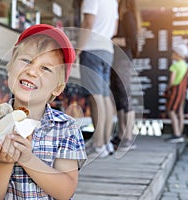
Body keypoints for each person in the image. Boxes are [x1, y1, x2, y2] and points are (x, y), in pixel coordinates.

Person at [0, 24, 87, 199]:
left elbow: (65, 191)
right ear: (10, 68)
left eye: (45, 68)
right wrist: (2, 164)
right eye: (27, 61)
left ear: (58, 88)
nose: (31, 71)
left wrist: (27, 159)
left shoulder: (66, 128)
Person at [76, 0, 119, 157]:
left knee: (96, 97)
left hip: (92, 49)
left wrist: (77, 50)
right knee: (105, 97)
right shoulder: (113, 2)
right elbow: (114, 29)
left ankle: (98, 144)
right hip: (107, 50)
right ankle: (105, 143)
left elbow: (88, 23)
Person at [110, 0, 141, 151]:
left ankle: (128, 137)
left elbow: (132, 41)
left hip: (123, 59)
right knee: (118, 96)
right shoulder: (119, 17)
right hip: (115, 59)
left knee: (125, 96)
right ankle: (121, 134)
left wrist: (112, 39)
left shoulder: (128, 16)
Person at [165, 44, 188, 143]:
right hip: (183, 92)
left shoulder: (175, 66)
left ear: (178, 54)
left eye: (174, 52)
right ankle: (180, 132)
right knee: (180, 112)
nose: (172, 54)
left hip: (175, 91)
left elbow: (172, 81)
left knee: (171, 111)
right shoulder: (185, 65)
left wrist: (168, 88)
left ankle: (177, 134)